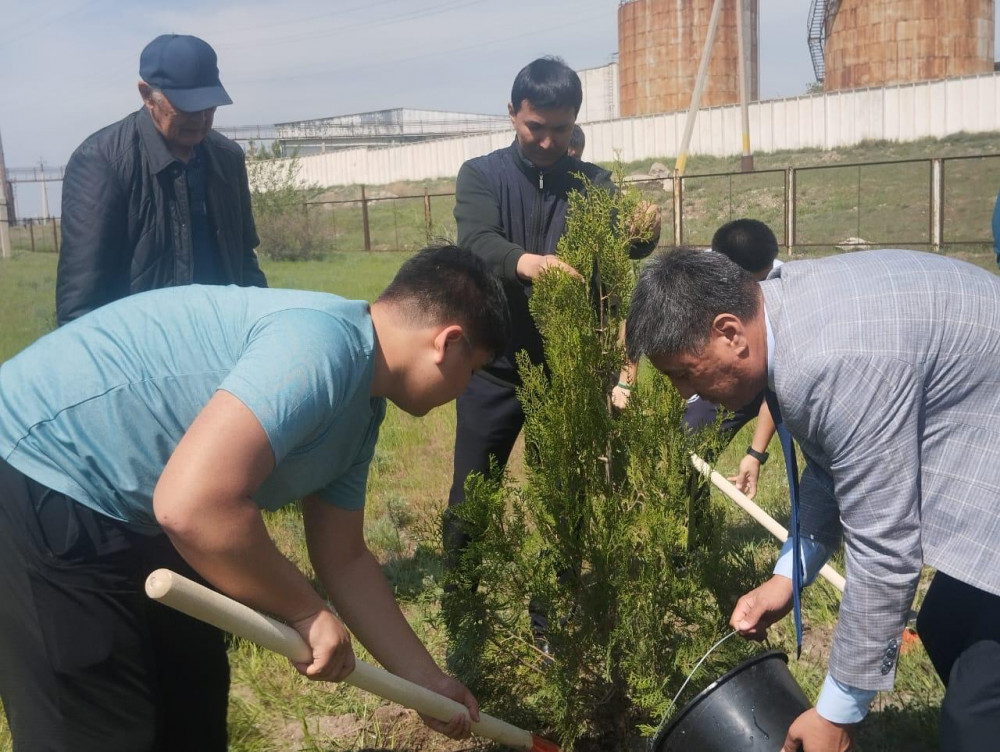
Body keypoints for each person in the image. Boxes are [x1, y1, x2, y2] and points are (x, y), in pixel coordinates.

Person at [0, 245, 509, 752]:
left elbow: (345, 557)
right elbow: (193, 506)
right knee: (99, 727)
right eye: (474, 371)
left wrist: (426, 683)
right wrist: (306, 611)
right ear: (448, 342)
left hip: (138, 504)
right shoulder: (321, 347)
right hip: (41, 467)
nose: (465, 391)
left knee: (192, 706)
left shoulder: (362, 411)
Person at [625, 247, 1000, 752]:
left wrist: (835, 714)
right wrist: (787, 579)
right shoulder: (781, 313)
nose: (681, 393)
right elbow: (833, 469)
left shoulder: (834, 363)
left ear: (730, 332)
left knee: (975, 712)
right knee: (947, 624)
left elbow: (885, 548)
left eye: (685, 373)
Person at [446, 57, 660, 618]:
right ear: (512, 113)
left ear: (575, 124)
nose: (545, 141)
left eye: (559, 130)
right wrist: (527, 263)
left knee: (562, 500)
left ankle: (554, 617)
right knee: (472, 496)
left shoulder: (595, 185)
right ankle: (461, 609)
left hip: (566, 373)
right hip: (491, 367)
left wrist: (640, 239)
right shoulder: (480, 175)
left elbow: (616, 258)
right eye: (534, 127)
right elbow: (477, 243)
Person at [56, 33, 267, 326]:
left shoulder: (227, 158)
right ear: (146, 95)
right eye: (186, 107)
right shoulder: (102, 162)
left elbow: (244, 261)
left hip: (221, 339)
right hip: (142, 352)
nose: (200, 118)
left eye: (209, 106)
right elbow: (80, 301)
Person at [682, 218, 783, 499]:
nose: (760, 288)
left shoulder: (781, 288)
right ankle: (690, 527)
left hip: (775, 375)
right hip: (725, 374)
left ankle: (809, 529)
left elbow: (780, 393)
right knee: (684, 451)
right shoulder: (693, 281)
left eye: (763, 278)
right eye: (754, 282)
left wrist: (755, 454)